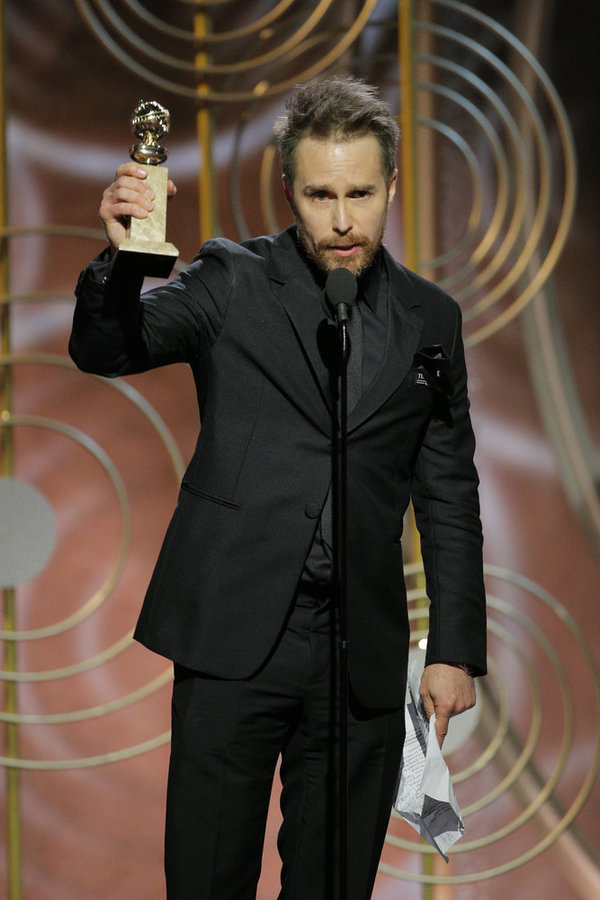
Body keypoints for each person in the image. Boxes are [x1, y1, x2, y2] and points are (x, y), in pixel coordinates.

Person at [70, 76, 486, 900]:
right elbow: (110, 348)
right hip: (234, 634)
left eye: (361, 194)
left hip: (359, 653)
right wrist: (122, 257)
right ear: (288, 188)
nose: (341, 220)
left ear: (391, 186)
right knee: (207, 878)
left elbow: (447, 488)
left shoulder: (429, 319)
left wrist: (454, 650)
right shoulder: (231, 282)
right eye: (320, 193)